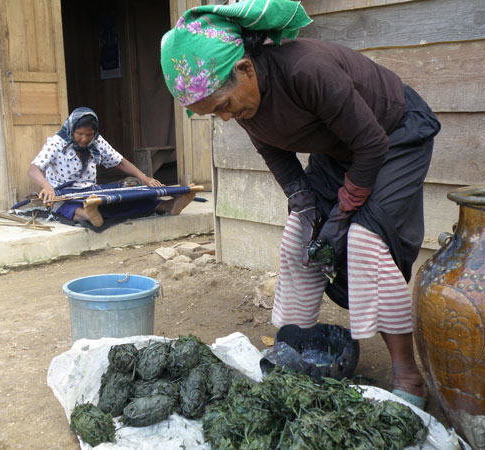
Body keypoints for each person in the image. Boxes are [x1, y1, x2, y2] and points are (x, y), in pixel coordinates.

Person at [160, 0, 441, 409]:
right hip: (342, 149)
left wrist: (343, 214)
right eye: (213, 114)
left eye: (223, 106)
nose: (225, 118)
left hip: (394, 136)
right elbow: (277, 156)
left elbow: (371, 144)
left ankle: (409, 376)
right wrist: (304, 204)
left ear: (245, 69)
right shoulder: (243, 103)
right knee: (298, 237)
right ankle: (295, 354)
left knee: (364, 240)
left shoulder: (307, 69)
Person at [28, 107, 195, 227]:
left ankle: (166, 205)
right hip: (63, 194)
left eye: (89, 135)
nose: (85, 139)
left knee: (126, 196)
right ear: (71, 130)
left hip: (90, 191)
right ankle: (88, 214)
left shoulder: (97, 142)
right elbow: (34, 169)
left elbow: (120, 162)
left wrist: (145, 178)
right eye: (79, 134)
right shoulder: (56, 143)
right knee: (68, 208)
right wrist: (46, 186)